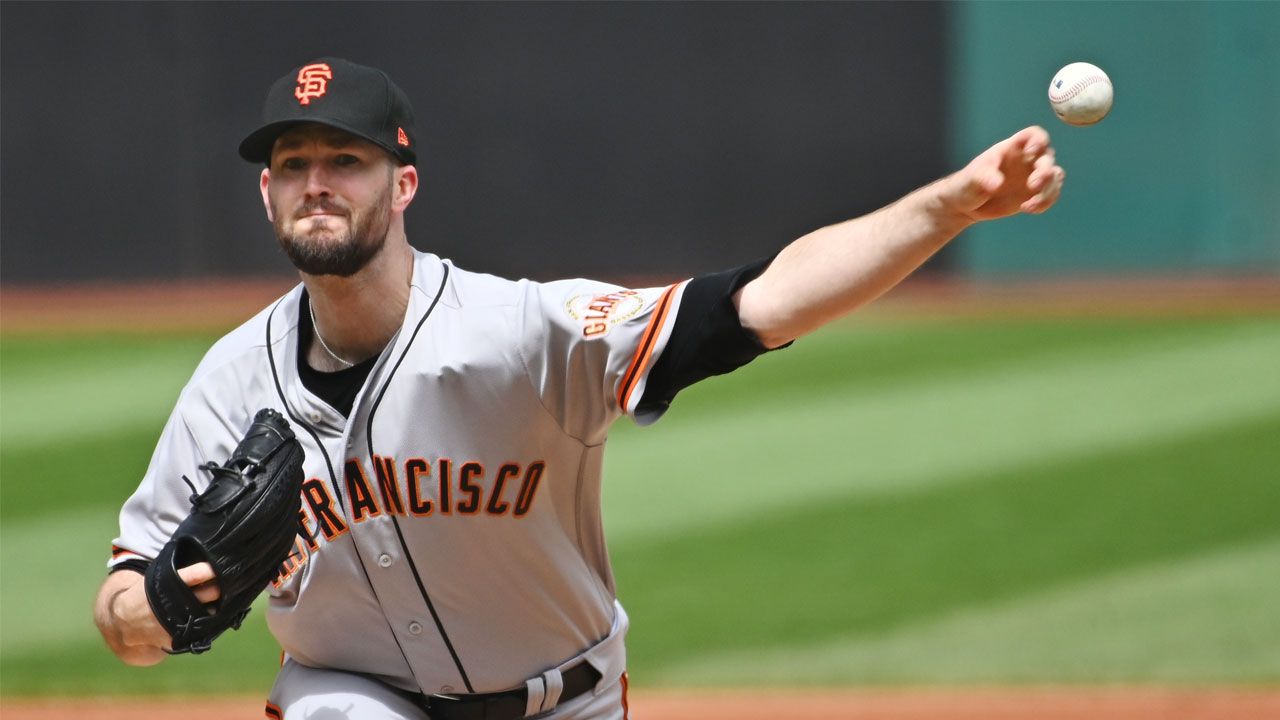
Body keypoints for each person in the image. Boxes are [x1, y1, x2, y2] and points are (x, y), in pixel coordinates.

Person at [93, 57, 1064, 720]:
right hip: (350, 693)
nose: (315, 182)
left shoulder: (518, 334)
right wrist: (150, 613)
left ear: (403, 185)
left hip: (563, 695)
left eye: (345, 160)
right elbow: (125, 603)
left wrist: (942, 209)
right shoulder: (230, 381)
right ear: (265, 194)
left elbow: (760, 304)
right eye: (290, 165)